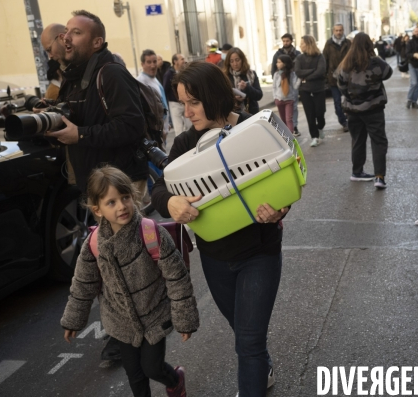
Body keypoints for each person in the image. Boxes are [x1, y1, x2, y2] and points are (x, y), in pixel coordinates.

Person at [151, 61, 286, 397]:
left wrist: (282, 207)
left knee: (249, 342)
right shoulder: (184, 143)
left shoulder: (255, 129)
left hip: (259, 253)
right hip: (214, 257)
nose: (187, 112)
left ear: (213, 97)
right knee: (242, 331)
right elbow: (159, 187)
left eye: (193, 103)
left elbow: (285, 172)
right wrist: (170, 203)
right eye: (183, 104)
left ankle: (255, 375)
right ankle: (262, 367)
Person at [61, 165, 198, 397]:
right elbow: (83, 283)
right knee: (135, 375)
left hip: (154, 315)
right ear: (98, 209)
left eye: (125, 197)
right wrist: (73, 319)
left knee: (152, 367)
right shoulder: (94, 243)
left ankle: (175, 379)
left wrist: (185, 319)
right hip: (121, 322)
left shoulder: (150, 233)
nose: (122, 206)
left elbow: (177, 277)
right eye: (111, 202)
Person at [48, 10, 148, 202]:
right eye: (66, 32)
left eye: (76, 33)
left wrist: (81, 135)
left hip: (121, 185)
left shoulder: (111, 73)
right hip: (96, 184)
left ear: (96, 43)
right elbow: (82, 118)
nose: (66, 38)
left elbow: (131, 126)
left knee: (130, 233)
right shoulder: (73, 78)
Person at [334, 32, 392, 189]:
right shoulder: (376, 62)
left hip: (353, 110)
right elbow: (388, 73)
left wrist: (352, 97)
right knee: (378, 141)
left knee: (358, 140)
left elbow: (341, 84)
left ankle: (357, 172)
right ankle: (379, 177)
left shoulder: (346, 64)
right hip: (374, 108)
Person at [295, 35, 327, 147]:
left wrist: (307, 76)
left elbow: (321, 71)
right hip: (305, 90)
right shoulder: (299, 58)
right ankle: (314, 136)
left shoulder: (319, 56)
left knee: (320, 112)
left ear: (308, 44)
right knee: (310, 114)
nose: (300, 45)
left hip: (318, 88)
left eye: (302, 43)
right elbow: (298, 71)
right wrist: (313, 71)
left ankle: (321, 127)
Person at [272, 33, 301, 136]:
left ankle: (292, 131)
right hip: (279, 99)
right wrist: (275, 98)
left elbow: (295, 85)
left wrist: (300, 78)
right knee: (283, 119)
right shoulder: (277, 73)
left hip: (290, 97)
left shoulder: (296, 54)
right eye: (283, 41)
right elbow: (274, 86)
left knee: (290, 117)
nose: (285, 43)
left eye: (287, 41)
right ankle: (286, 135)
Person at [323, 24, 351, 132]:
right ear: (333, 31)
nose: (338, 32)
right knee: (337, 102)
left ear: (343, 30)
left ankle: (350, 119)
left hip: (347, 78)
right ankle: (343, 122)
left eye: (340, 30)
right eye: (336, 30)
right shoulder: (329, 44)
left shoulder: (348, 43)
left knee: (349, 100)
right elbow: (325, 60)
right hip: (333, 79)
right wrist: (325, 77)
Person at [137, 49, 170, 140]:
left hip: (162, 128)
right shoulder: (141, 82)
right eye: (149, 62)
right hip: (156, 132)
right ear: (142, 64)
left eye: (154, 61)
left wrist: (167, 124)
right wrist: (159, 128)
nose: (153, 65)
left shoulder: (153, 78)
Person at [223, 47, 263, 114]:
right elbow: (221, 98)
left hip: (251, 112)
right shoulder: (226, 76)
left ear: (242, 60)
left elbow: (259, 95)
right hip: (234, 114)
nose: (235, 64)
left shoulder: (251, 74)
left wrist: (247, 88)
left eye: (237, 60)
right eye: (231, 61)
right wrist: (234, 98)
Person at [164, 53, 192, 134]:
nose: (184, 61)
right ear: (175, 61)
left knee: (190, 125)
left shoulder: (185, 72)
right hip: (175, 104)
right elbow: (165, 89)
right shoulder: (169, 74)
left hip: (186, 103)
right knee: (178, 128)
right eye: (182, 59)